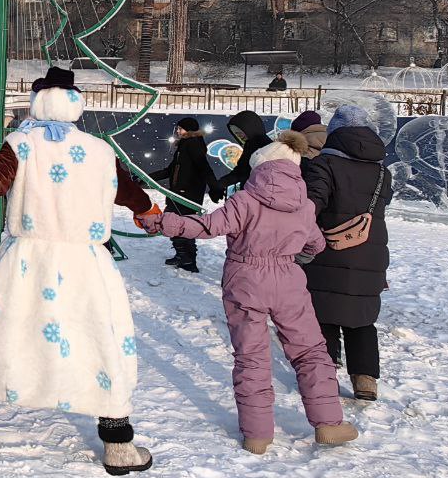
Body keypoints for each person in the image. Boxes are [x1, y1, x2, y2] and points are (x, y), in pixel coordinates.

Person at [0, 67, 154, 477]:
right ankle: (118, 444)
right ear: (75, 104)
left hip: (26, 261)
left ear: (38, 102)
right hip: (85, 264)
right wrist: (146, 209)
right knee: (97, 338)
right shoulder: (99, 150)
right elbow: (129, 192)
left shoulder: (22, 144)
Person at [140, 131, 359, 454]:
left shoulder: (245, 200)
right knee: (310, 350)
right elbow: (316, 243)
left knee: (251, 356)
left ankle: (258, 435)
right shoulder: (305, 205)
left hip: (245, 279)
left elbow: (207, 227)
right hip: (288, 280)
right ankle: (328, 423)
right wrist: (294, 251)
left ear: (261, 168)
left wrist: (164, 223)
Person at [302, 104, 392, 402]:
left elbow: (312, 205)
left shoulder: (323, 166)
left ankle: (324, 378)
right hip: (371, 254)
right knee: (362, 318)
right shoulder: (382, 171)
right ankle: (365, 380)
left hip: (329, 251)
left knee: (323, 314)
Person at [149, 116, 221, 274]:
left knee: (180, 224)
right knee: (174, 223)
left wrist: (214, 187)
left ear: (189, 130)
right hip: (178, 192)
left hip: (187, 194)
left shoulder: (192, 144)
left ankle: (188, 259)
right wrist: (146, 178)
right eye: (177, 128)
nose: (177, 131)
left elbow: (204, 168)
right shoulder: (184, 145)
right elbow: (170, 170)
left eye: (180, 128)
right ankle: (182, 255)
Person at [215, 110, 272, 193]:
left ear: (249, 129)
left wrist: (220, 184)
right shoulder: (270, 144)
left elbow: (241, 171)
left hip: (254, 193)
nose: (240, 137)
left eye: (241, 133)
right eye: (237, 134)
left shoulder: (253, 145)